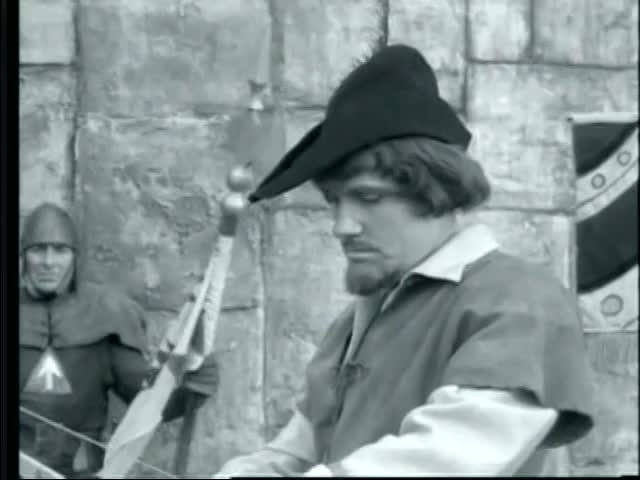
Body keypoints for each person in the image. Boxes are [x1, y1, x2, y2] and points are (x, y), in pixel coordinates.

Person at [214, 44, 594, 477]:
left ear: (437, 191)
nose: (342, 226)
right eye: (334, 202)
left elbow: (443, 461)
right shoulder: (356, 320)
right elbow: (299, 452)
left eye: (368, 197)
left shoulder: (521, 301)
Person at [19, 202, 219, 478]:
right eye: (38, 250)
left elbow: (145, 402)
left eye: (60, 250)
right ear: (23, 255)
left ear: (75, 256)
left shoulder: (106, 314)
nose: (48, 262)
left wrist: (186, 386)